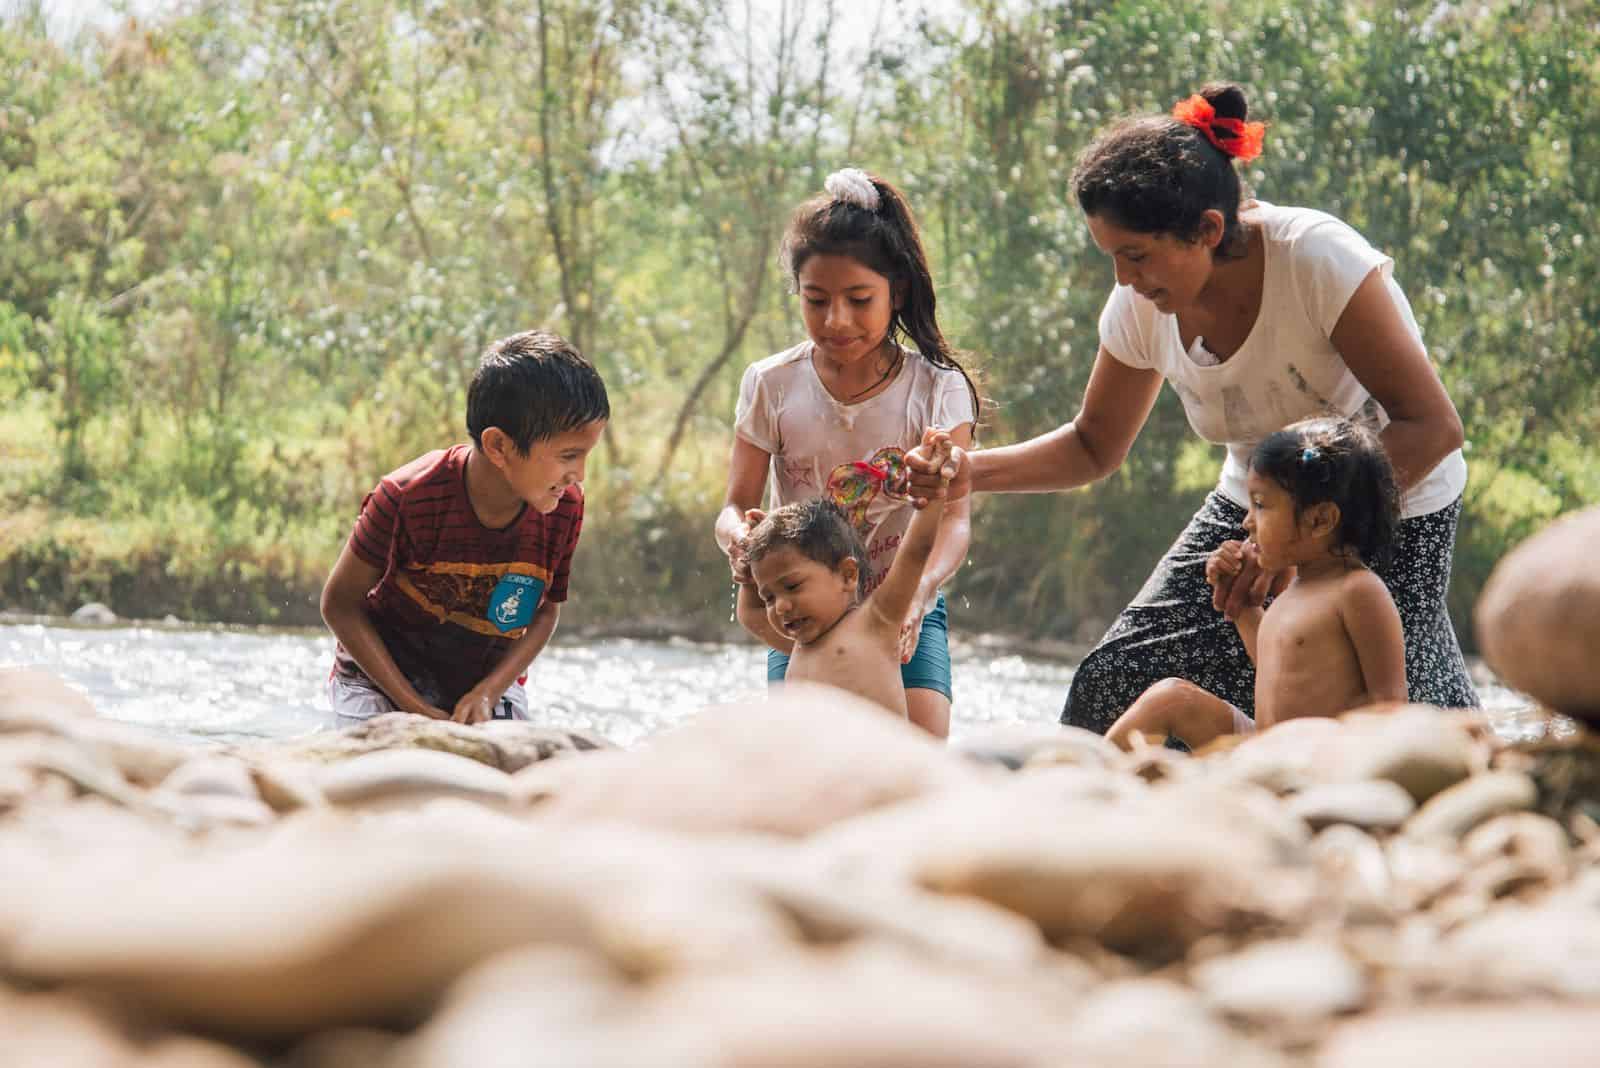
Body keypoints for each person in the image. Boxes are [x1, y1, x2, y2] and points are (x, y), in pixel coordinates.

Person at [907, 81, 1477, 734]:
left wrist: (1289, 547)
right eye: (1112, 258)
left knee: (1391, 716)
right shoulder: (1140, 306)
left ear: (1208, 230)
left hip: (1388, 497)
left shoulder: (1317, 260)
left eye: (1137, 255)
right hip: (1256, 502)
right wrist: (968, 471)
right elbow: (1093, 444)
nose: (1123, 279)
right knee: (1114, 682)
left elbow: (1432, 426)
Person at [715, 168, 981, 738]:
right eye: (816, 301)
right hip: (805, 608)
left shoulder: (937, 389)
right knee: (808, 756)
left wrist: (919, 595)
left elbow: (955, 522)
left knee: (921, 752)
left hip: (904, 600)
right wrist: (739, 541)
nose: (836, 321)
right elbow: (734, 505)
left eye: (860, 300)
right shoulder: (771, 384)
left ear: (897, 292)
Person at [319, 329, 608, 728]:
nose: (578, 475)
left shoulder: (562, 508)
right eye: (569, 456)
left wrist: (489, 691)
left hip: (483, 684)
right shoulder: (407, 497)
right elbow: (339, 603)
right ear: (499, 446)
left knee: (512, 770)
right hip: (378, 682)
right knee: (393, 767)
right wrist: (412, 707)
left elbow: (544, 613)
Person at [1106, 418, 1407, 751]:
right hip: (1264, 746)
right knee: (1171, 697)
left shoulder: (1359, 591)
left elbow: (1390, 703)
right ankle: (1088, 776)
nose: (1246, 520)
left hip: (1316, 761)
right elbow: (1277, 667)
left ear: (1320, 519)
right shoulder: (1293, 589)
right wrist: (1243, 609)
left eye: (1261, 504)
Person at [737, 438, 956, 718]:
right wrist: (750, 558)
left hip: (878, 761)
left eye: (792, 587)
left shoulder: (878, 622)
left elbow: (916, 551)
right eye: (769, 596)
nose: (780, 606)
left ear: (848, 575)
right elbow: (749, 612)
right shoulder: (796, 646)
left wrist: (932, 486)